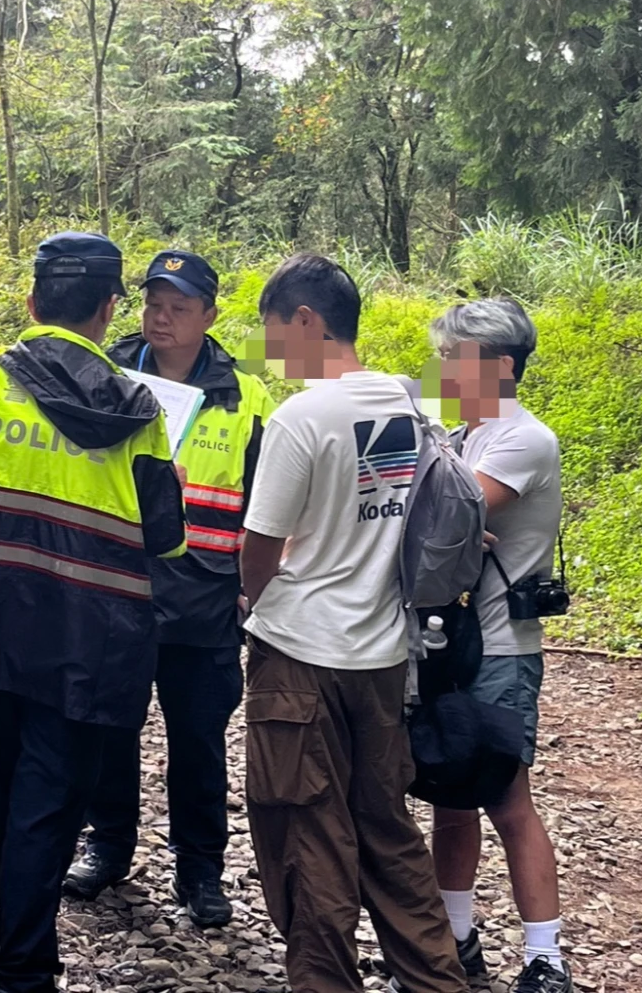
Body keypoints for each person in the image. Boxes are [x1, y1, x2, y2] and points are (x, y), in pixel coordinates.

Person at [0, 231, 186, 993]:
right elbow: (162, 536)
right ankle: (24, 962)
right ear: (108, 309)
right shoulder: (140, 406)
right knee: (51, 795)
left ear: (32, 303)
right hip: (89, 636)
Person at [238, 253, 467, 993]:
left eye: (275, 334)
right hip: (381, 658)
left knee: (310, 844)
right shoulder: (411, 405)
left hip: (301, 656)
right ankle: (438, 981)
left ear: (307, 321)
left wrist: (254, 602)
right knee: (388, 836)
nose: (273, 354)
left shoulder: (303, 415)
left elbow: (261, 545)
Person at [62, 250, 273, 926]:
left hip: (206, 598)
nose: (163, 317)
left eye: (180, 307)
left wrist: (252, 585)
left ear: (210, 316)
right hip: (116, 588)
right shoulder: (106, 373)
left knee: (199, 740)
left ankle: (201, 870)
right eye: (154, 303)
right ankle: (109, 847)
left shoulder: (246, 395)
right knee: (106, 731)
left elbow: (269, 498)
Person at [426, 300, 571, 993]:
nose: (446, 368)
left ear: (502, 365)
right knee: (449, 797)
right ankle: (456, 941)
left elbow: (451, 510)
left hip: (502, 648)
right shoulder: (464, 433)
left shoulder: (524, 439)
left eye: (456, 355)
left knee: (508, 800)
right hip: (451, 644)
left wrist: (445, 513)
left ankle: (545, 959)